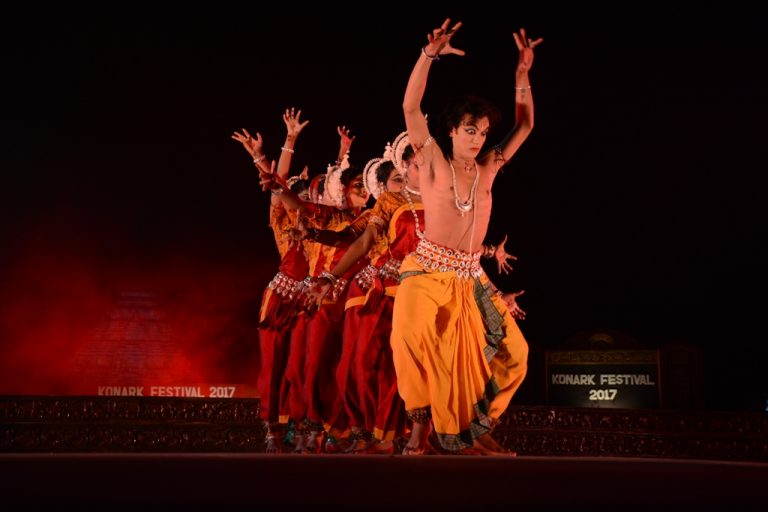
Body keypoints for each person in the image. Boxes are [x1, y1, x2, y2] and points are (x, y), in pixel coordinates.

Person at [391, 18, 542, 455]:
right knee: (409, 338)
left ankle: (475, 428)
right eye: (469, 130)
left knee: (516, 352)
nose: (477, 139)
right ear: (452, 130)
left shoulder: (490, 166)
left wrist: (521, 75)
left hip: (470, 279)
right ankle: (419, 428)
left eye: (482, 132)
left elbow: (526, 125)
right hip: (426, 272)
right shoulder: (434, 159)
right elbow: (410, 109)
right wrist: (428, 57)